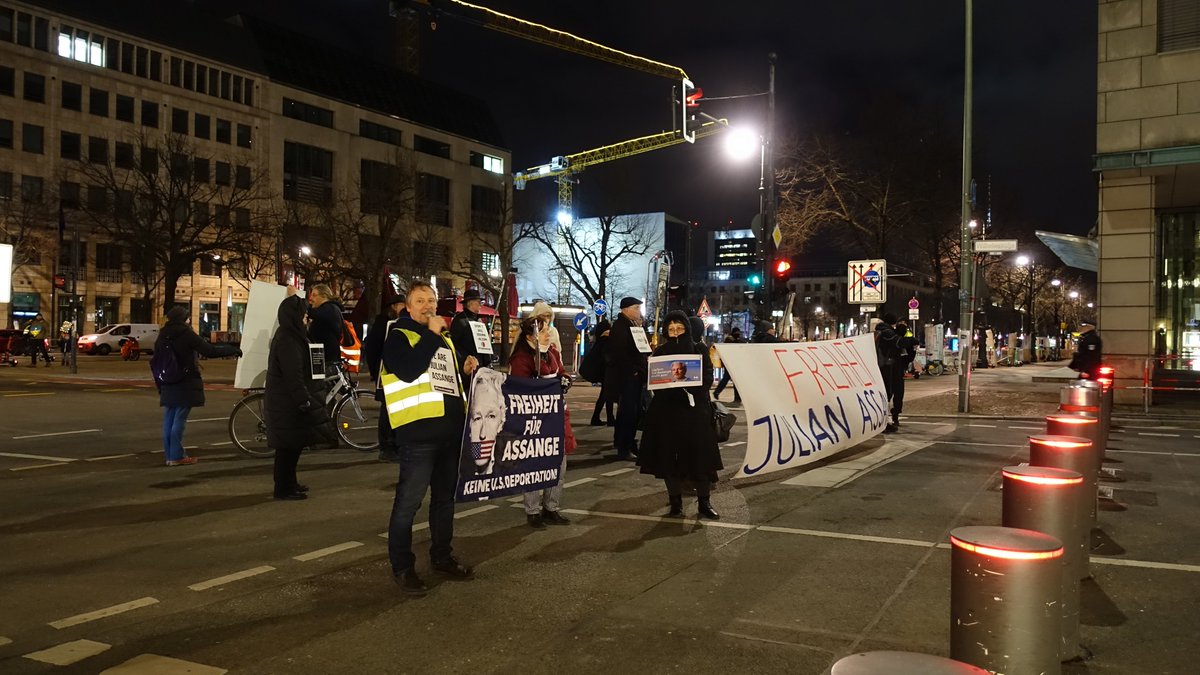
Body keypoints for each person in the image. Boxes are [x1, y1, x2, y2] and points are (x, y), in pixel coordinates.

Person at [381, 280, 479, 595]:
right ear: (408, 307)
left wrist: (466, 365)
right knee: (408, 505)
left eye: (431, 300)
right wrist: (433, 335)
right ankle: (403, 567)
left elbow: (450, 379)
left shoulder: (443, 338)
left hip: (450, 434)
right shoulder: (399, 336)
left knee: (444, 501)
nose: (428, 306)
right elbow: (408, 371)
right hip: (418, 437)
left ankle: (442, 557)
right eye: (420, 301)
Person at [638, 311, 723, 519]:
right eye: (671, 329)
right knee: (669, 459)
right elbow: (654, 381)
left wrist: (692, 388)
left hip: (695, 413)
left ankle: (704, 503)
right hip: (667, 413)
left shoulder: (698, 349)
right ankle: (675, 502)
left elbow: (707, 378)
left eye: (679, 328)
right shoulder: (660, 351)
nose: (675, 332)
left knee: (700, 459)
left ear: (687, 329)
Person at [265, 292, 335, 500]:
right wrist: (303, 399)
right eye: (304, 315)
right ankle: (283, 489)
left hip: (289, 401)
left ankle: (290, 483)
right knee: (287, 448)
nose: (307, 319)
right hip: (287, 403)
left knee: (293, 445)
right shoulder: (288, 340)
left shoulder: (293, 336)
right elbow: (293, 375)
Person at [508, 317, 576, 529]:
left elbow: (562, 372)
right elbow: (519, 389)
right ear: (531, 336)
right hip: (534, 420)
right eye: (544, 331)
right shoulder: (522, 359)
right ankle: (533, 511)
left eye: (548, 329)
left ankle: (551, 507)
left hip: (557, 416)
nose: (548, 334)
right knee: (534, 466)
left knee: (559, 464)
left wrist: (565, 380)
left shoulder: (552, 352)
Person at [155, 305, 241, 466]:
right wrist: (232, 350)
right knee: (180, 418)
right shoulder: (186, 333)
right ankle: (176, 456)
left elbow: (156, 360)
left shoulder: (162, 334)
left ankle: (169, 455)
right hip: (185, 380)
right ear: (183, 319)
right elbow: (209, 351)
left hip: (167, 380)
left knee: (170, 417)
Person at [605, 297, 649, 461]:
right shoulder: (621, 327)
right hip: (628, 378)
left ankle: (626, 443)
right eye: (636, 308)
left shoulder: (630, 325)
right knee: (629, 412)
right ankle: (624, 447)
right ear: (626, 309)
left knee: (630, 411)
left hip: (632, 376)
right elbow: (621, 353)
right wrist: (634, 371)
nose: (639, 311)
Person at [364, 293, 406, 463]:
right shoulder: (383, 323)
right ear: (394, 306)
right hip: (385, 372)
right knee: (388, 411)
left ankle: (396, 444)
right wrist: (375, 371)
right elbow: (372, 347)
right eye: (403, 305)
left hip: (399, 373)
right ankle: (386, 447)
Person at [450, 288, 494, 369]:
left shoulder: (478, 320)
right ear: (470, 303)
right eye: (478, 302)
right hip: (468, 365)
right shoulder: (459, 320)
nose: (480, 305)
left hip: (481, 365)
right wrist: (465, 358)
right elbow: (454, 344)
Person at [306, 283, 345, 373]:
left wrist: (294, 298)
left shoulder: (330, 308)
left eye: (314, 295)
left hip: (328, 363)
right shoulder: (330, 309)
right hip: (326, 361)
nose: (310, 298)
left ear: (324, 296)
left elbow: (310, 312)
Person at [874, 313, 902, 433]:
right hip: (887, 366)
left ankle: (883, 421)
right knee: (887, 393)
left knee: (885, 393)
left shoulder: (879, 331)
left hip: (881, 365)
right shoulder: (888, 333)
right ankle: (883, 422)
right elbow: (899, 343)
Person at [584, 317, 614, 426]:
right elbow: (607, 357)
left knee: (605, 395)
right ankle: (608, 418)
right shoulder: (606, 340)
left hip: (603, 371)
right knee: (607, 395)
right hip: (607, 371)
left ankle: (598, 417)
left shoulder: (600, 340)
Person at [894, 320, 918, 424]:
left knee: (889, 394)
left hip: (888, 370)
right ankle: (895, 415)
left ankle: (889, 415)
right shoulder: (908, 341)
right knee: (898, 395)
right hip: (899, 371)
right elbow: (910, 357)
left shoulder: (892, 338)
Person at [712, 326, 743, 403]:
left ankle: (717, 392)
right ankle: (737, 398)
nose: (738, 334)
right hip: (729, 362)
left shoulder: (734, 339)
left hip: (733, 362)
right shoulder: (730, 339)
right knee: (731, 380)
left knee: (728, 379)